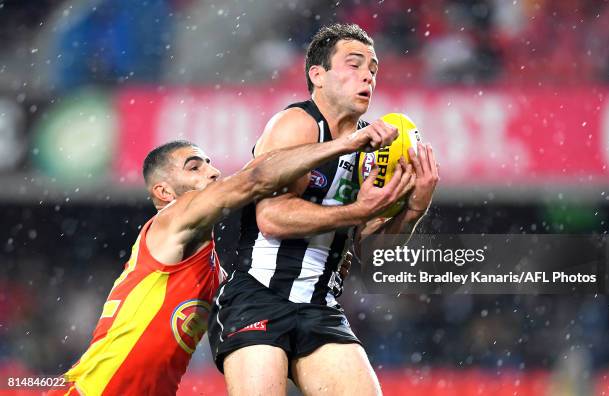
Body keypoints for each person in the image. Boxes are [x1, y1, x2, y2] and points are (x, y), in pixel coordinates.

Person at [51, 120, 409, 395]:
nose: (212, 171)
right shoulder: (170, 220)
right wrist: (345, 145)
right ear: (163, 191)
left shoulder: (214, 272)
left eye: (209, 164)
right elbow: (254, 179)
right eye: (194, 167)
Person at [207, 23, 439, 395]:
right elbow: (272, 219)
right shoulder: (296, 124)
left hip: (320, 306)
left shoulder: (374, 148)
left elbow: (374, 256)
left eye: (374, 69)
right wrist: (357, 211)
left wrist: (413, 209)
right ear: (318, 75)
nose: (368, 75)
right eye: (354, 64)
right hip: (257, 296)